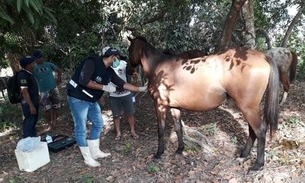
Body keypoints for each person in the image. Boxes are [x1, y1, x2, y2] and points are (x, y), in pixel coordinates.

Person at [66, 47, 147, 167]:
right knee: (81, 127)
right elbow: (83, 80)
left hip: (91, 99)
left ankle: (95, 151)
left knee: (98, 123)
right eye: (118, 58)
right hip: (77, 97)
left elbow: (122, 84)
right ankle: (87, 158)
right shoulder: (92, 62)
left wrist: (140, 89)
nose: (118, 61)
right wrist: (104, 87)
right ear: (112, 57)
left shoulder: (109, 71)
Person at [102, 47, 139, 141]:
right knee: (116, 115)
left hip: (126, 93)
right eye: (111, 56)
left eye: (116, 56)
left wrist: (135, 77)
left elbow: (131, 73)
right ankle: (118, 132)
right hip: (114, 95)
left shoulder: (124, 63)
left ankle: (133, 131)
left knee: (130, 113)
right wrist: (102, 95)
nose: (114, 58)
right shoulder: (105, 67)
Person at [32, 50, 63, 129]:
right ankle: (49, 124)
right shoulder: (34, 68)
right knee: (46, 108)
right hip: (43, 91)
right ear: (35, 59)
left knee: (55, 106)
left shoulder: (48, 64)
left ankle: (55, 122)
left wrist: (59, 78)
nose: (41, 59)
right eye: (39, 57)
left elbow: (59, 70)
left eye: (41, 57)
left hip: (53, 88)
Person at [18, 57, 39, 138]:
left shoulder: (29, 73)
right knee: (29, 121)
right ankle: (28, 139)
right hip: (28, 103)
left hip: (34, 100)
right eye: (32, 63)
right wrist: (31, 105)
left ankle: (33, 137)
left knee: (33, 120)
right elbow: (24, 91)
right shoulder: (22, 75)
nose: (34, 65)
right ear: (28, 65)